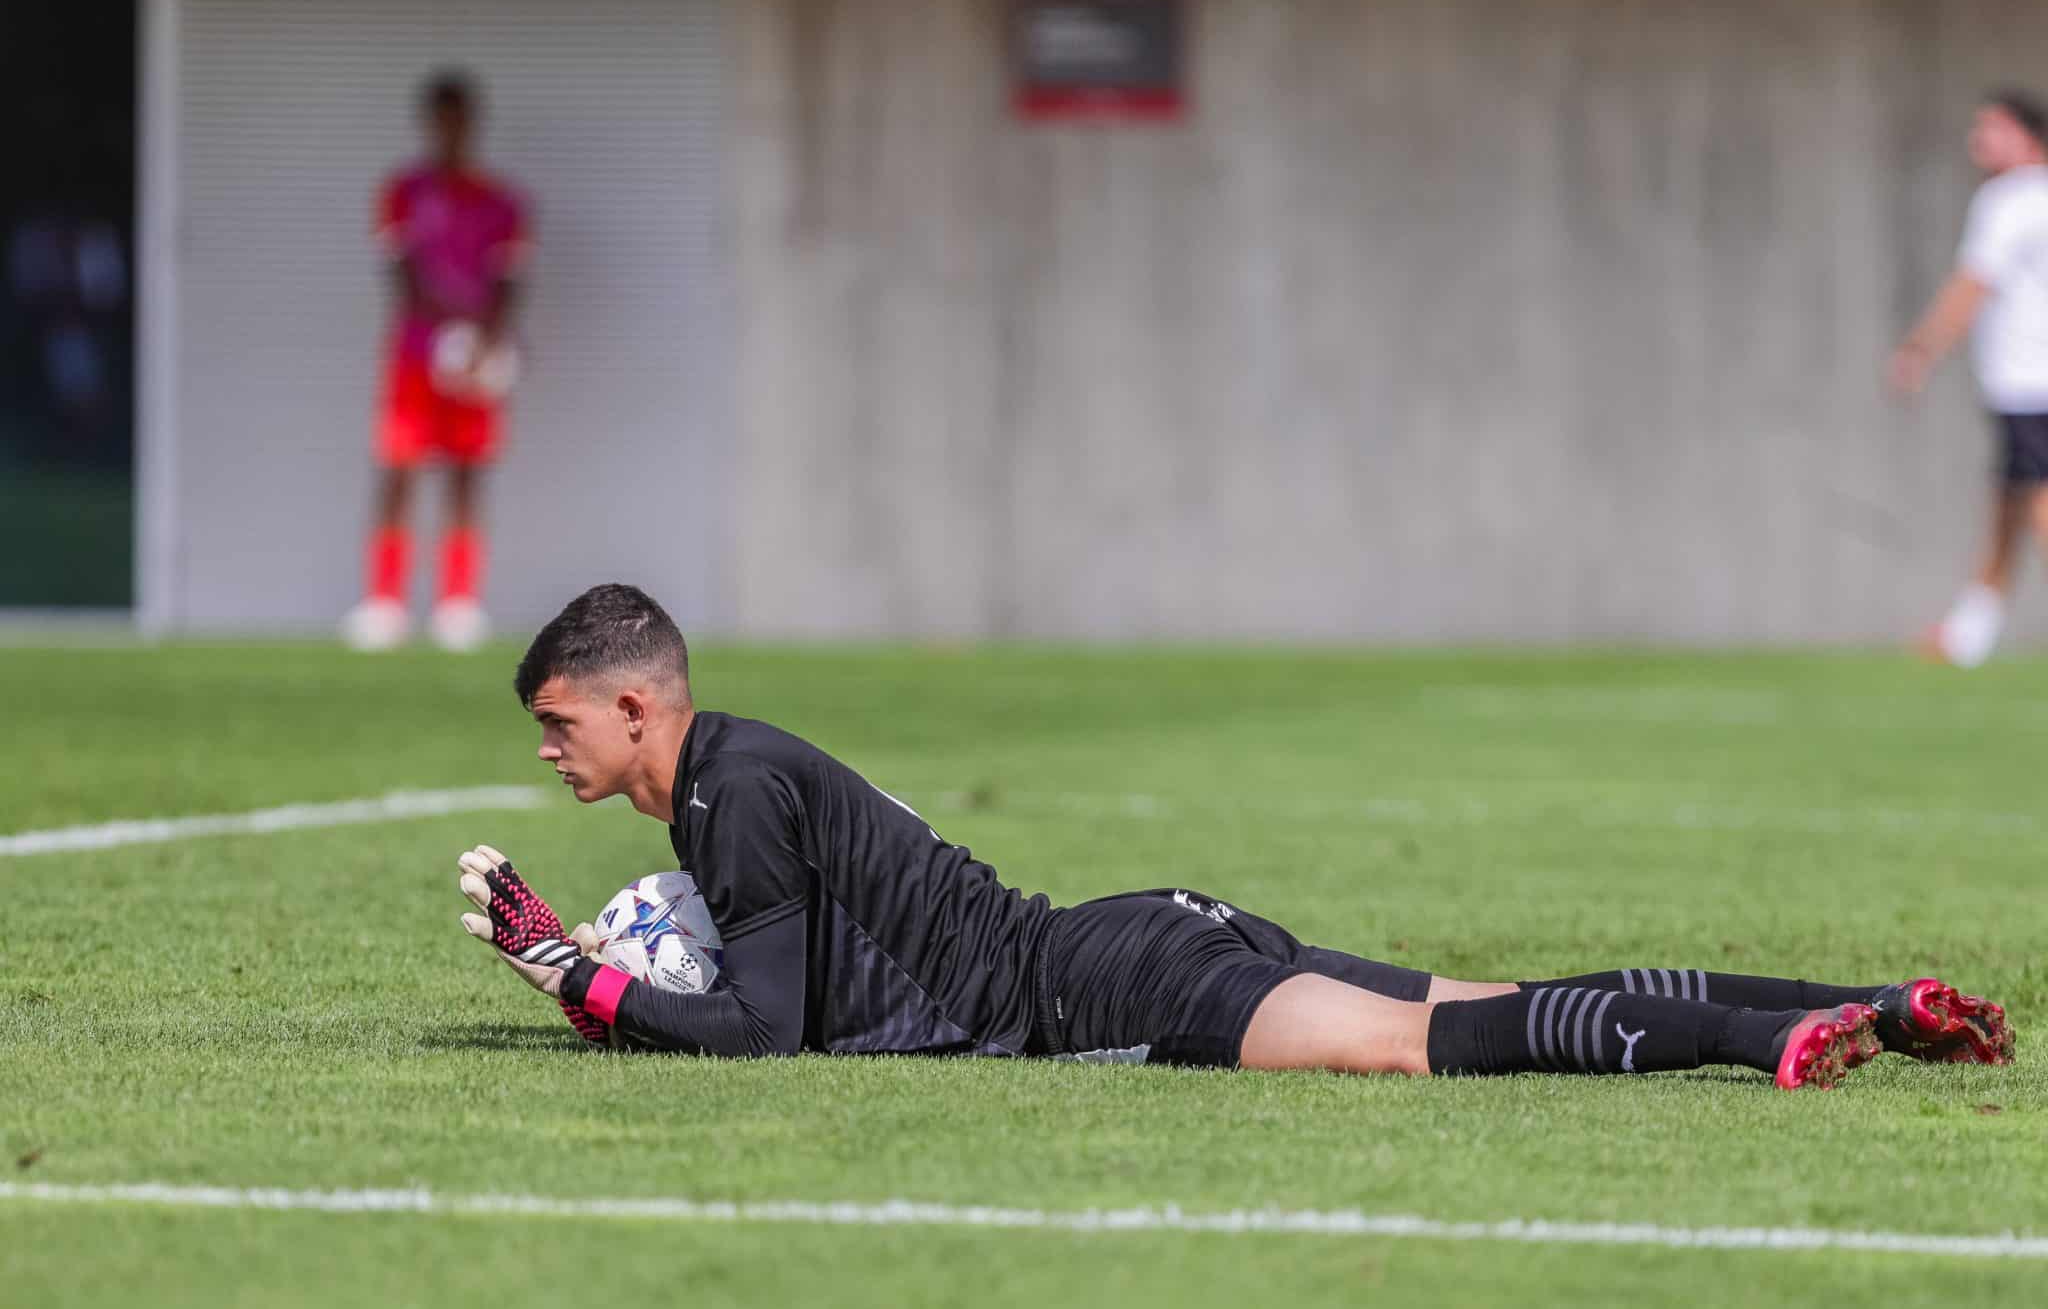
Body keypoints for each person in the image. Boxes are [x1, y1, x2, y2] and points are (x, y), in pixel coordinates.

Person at [456, 584, 2015, 1088]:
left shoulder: (729, 793)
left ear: (639, 706)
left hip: (1106, 984)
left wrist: (578, 979)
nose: (549, 750)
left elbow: (760, 1031)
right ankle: (1871, 1004)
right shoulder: (738, 771)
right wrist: (612, 980)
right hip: (1138, 932)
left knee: (1426, 1047)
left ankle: (1768, 1040)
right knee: (1485, 999)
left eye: (560, 721)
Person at [342, 71, 529, 652]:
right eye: (442, 118)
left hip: (476, 359)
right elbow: (401, 273)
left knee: (466, 472)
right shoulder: (403, 192)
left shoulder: (502, 201)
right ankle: (385, 603)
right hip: (417, 355)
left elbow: (510, 279)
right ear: (429, 122)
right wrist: (454, 320)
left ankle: (458, 604)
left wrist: (488, 339)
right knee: (399, 468)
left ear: (472, 123)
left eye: (460, 118)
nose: (451, 129)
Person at [1891, 89, 2048, 667]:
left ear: (2028, 137)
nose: (1978, 139)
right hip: (2027, 383)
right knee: (2010, 504)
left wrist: (1920, 347)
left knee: (2038, 502)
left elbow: (1973, 283)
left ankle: (1968, 633)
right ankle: (1969, 633)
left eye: (1994, 128)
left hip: (2029, 382)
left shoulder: (2009, 199)